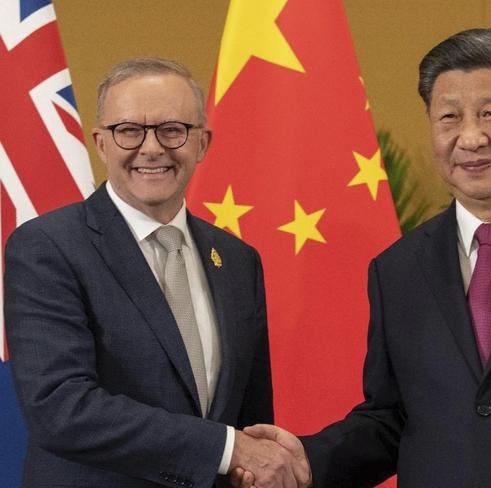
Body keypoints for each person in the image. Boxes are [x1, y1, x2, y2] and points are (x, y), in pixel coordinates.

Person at [231, 28, 491, 487]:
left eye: (490, 113)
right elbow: (392, 420)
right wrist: (309, 460)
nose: (470, 138)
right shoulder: (398, 269)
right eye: (449, 117)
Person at [5, 58, 309, 488]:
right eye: (129, 130)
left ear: (202, 143)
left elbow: (250, 420)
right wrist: (227, 448)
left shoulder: (238, 260)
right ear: (100, 143)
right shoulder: (47, 247)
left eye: (173, 129)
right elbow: (60, 407)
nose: (152, 148)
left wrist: (252, 457)